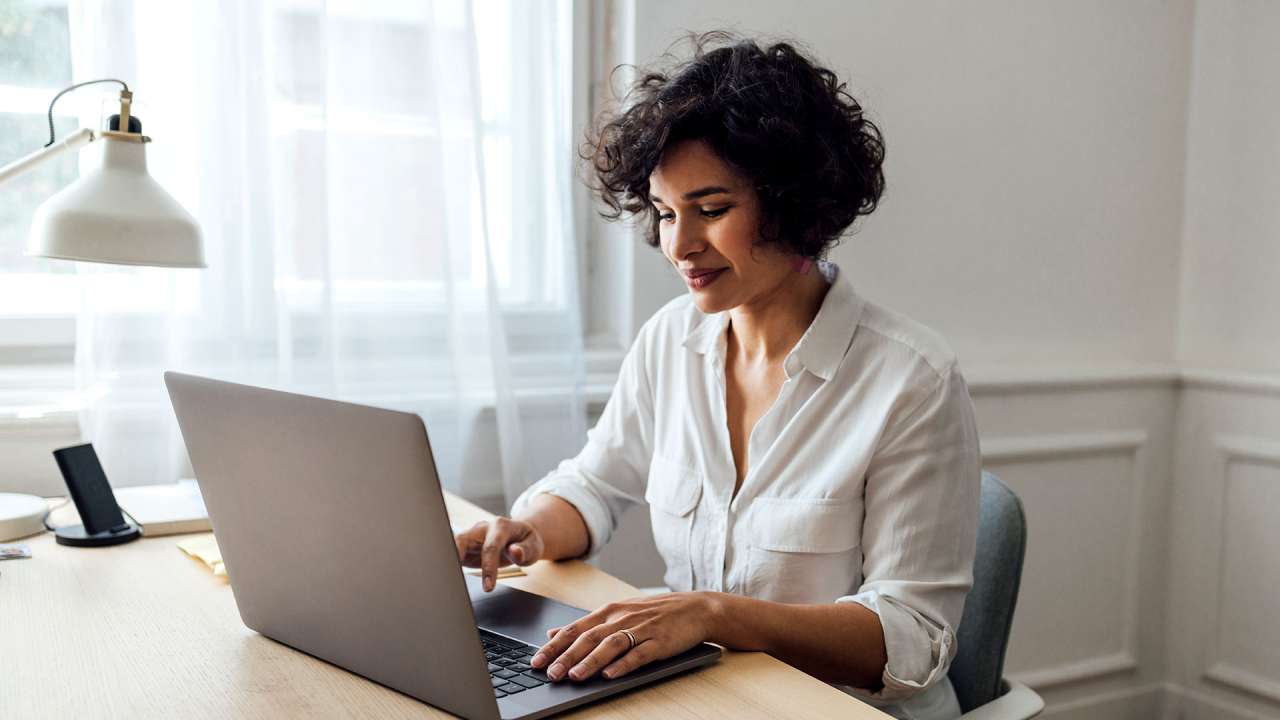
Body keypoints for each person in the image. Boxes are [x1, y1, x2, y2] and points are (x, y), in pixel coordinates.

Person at [454, 32, 980, 720]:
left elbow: (913, 638)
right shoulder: (671, 339)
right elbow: (595, 483)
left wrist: (715, 615)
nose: (679, 245)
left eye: (711, 209)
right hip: (707, 698)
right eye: (667, 213)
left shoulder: (911, 380)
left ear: (793, 204)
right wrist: (524, 529)